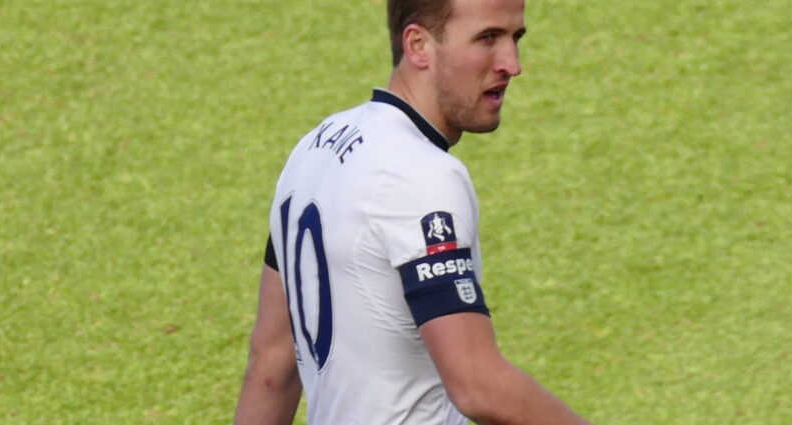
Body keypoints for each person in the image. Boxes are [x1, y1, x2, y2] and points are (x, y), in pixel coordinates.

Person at [234, 0, 592, 424]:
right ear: (419, 45)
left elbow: (271, 366)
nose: (512, 65)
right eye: (487, 38)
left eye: (515, 38)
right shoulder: (421, 175)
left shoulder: (315, 147)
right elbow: (478, 385)